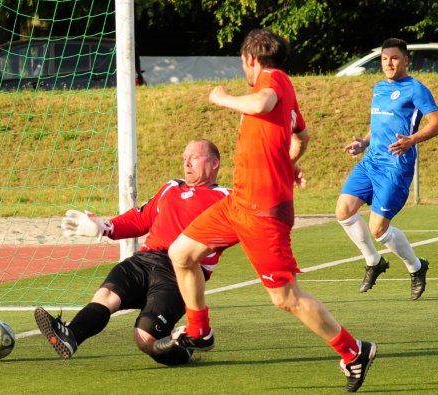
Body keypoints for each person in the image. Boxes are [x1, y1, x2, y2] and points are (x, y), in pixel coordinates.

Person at [153, 29, 375, 393]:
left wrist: (222, 97)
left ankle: (354, 351)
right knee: (181, 253)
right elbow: (300, 136)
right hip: (238, 202)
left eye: (243, 62)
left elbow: (260, 105)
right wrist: (286, 164)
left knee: (285, 297)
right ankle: (199, 331)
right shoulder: (285, 91)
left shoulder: (272, 80)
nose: (244, 69)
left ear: (251, 59)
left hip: (263, 211)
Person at [34, 139, 231, 366]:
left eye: (194, 158)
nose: (187, 163)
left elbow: (248, 228)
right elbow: (140, 218)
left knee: (145, 339)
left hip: (179, 273)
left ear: (214, 163)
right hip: (143, 261)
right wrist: (104, 227)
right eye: (185, 157)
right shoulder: (171, 187)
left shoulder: (227, 198)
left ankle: (181, 347)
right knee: (106, 297)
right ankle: (71, 336)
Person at [336, 38, 438, 300]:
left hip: (395, 165)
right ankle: (374, 261)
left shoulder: (415, 89)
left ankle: (416, 267)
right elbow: (380, 124)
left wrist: (411, 140)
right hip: (371, 160)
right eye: (385, 59)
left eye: (394, 58)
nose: (388, 63)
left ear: (406, 60)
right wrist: (364, 142)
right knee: (343, 211)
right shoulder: (379, 87)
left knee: (378, 229)